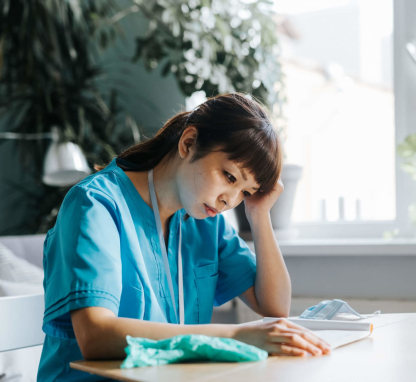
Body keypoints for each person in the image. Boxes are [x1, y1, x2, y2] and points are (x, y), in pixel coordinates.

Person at [37, 93, 330, 381]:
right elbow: (95, 336)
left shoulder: (204, 221)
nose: (230, 200)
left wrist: (259, 214)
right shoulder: (95, 204)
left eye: (245, 192)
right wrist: (237, 336)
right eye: (229, 176)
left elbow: (275, 307)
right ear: (188, 143)